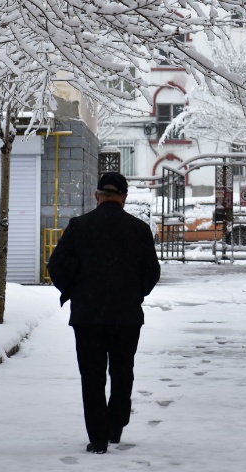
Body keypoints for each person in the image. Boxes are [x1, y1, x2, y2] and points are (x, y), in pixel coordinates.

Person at [47, 171, 161, 454]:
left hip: (88, 316)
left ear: (98, 196)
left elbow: (56, 265)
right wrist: (137, 293)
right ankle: (116, 424)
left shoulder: (78, 227)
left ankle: (98, 438)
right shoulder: (138, 229)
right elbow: (152, 272)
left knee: (92, 377)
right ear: (124, 198)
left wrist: (74, 289)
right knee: (123, 373)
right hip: (126, 316)